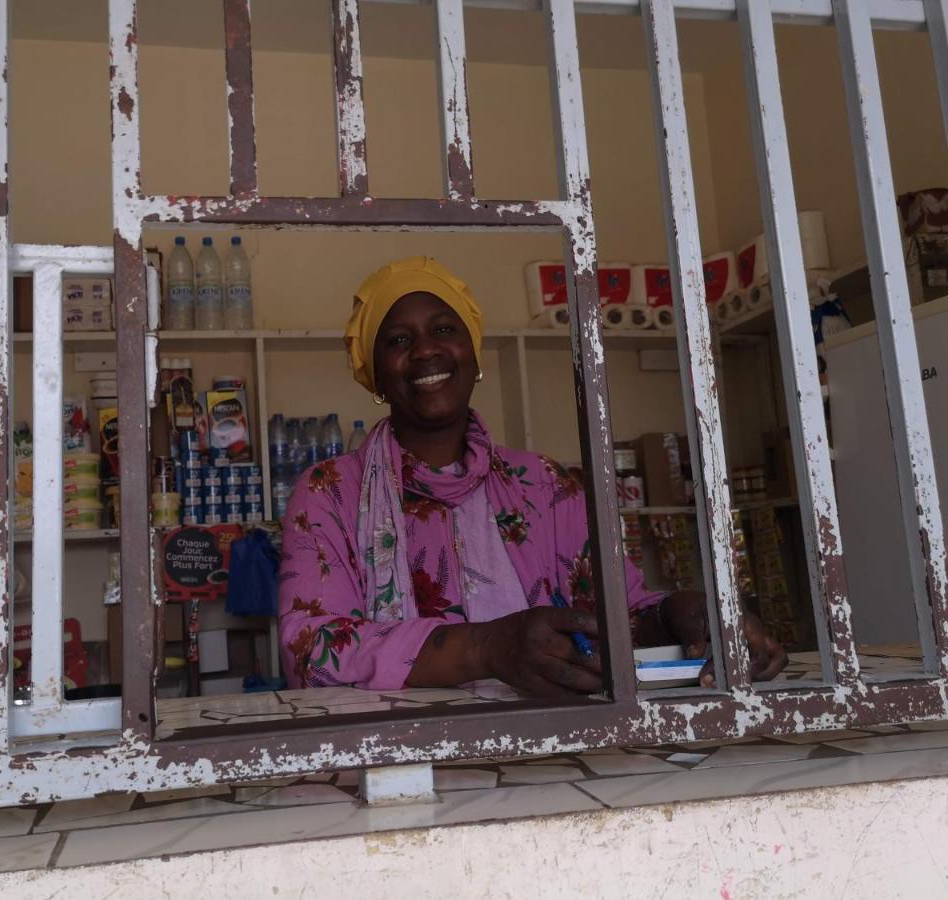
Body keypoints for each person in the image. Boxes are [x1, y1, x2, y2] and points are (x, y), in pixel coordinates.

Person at [278, 256, 786, 696]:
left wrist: (686, 613)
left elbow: (621, 614)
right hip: (403, 765)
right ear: (375, 373)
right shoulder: (330, 492)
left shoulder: (544, 484)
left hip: (546, 752)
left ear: (473, 355)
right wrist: (484, 648)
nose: (426, 350)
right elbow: (309, 649)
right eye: (398, 339)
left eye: (444, 330)